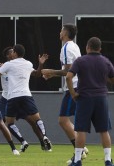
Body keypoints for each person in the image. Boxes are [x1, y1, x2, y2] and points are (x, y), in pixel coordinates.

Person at [41, 24, 88, 163]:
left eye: (61, 30)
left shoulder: (67, 47)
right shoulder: (74, 46)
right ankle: (81, 149)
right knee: (68, 121)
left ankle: (80, 151)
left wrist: (50, 71)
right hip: (78, 85)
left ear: (65, 33)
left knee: (63, 120)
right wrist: (53, 75)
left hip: (74, 86)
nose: (59, 32)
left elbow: (68, 71)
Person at [0, 44, 52, 151]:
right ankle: (44, 136)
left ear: (15, 53)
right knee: (37, 119)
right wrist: (41, 64)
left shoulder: (7, 65)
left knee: (10, 123)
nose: (11, 53)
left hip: (13, 97)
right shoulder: (28, 63)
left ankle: (25, 140)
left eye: (12, 51)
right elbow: (37, 74)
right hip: (25, 96)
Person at [66, 37, 114, 166]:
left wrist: (73, 94)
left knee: (81, 130)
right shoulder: (105, 61)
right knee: (104, 130)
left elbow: (68, 77)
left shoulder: (80, 61)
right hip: (101, 98)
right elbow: (112, 78)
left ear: (87, 47)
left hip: (85, 98)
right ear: (100, 49)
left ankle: (77, 160)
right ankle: (108, 160)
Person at [0, 47, 29, 152]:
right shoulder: (3, 66)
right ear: (8, 56)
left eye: (14, 51)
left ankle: (42, 141)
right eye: (10, 52)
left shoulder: (20, 65)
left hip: (17, 96)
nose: (13, 53)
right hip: (5, 98)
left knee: (30, 118)